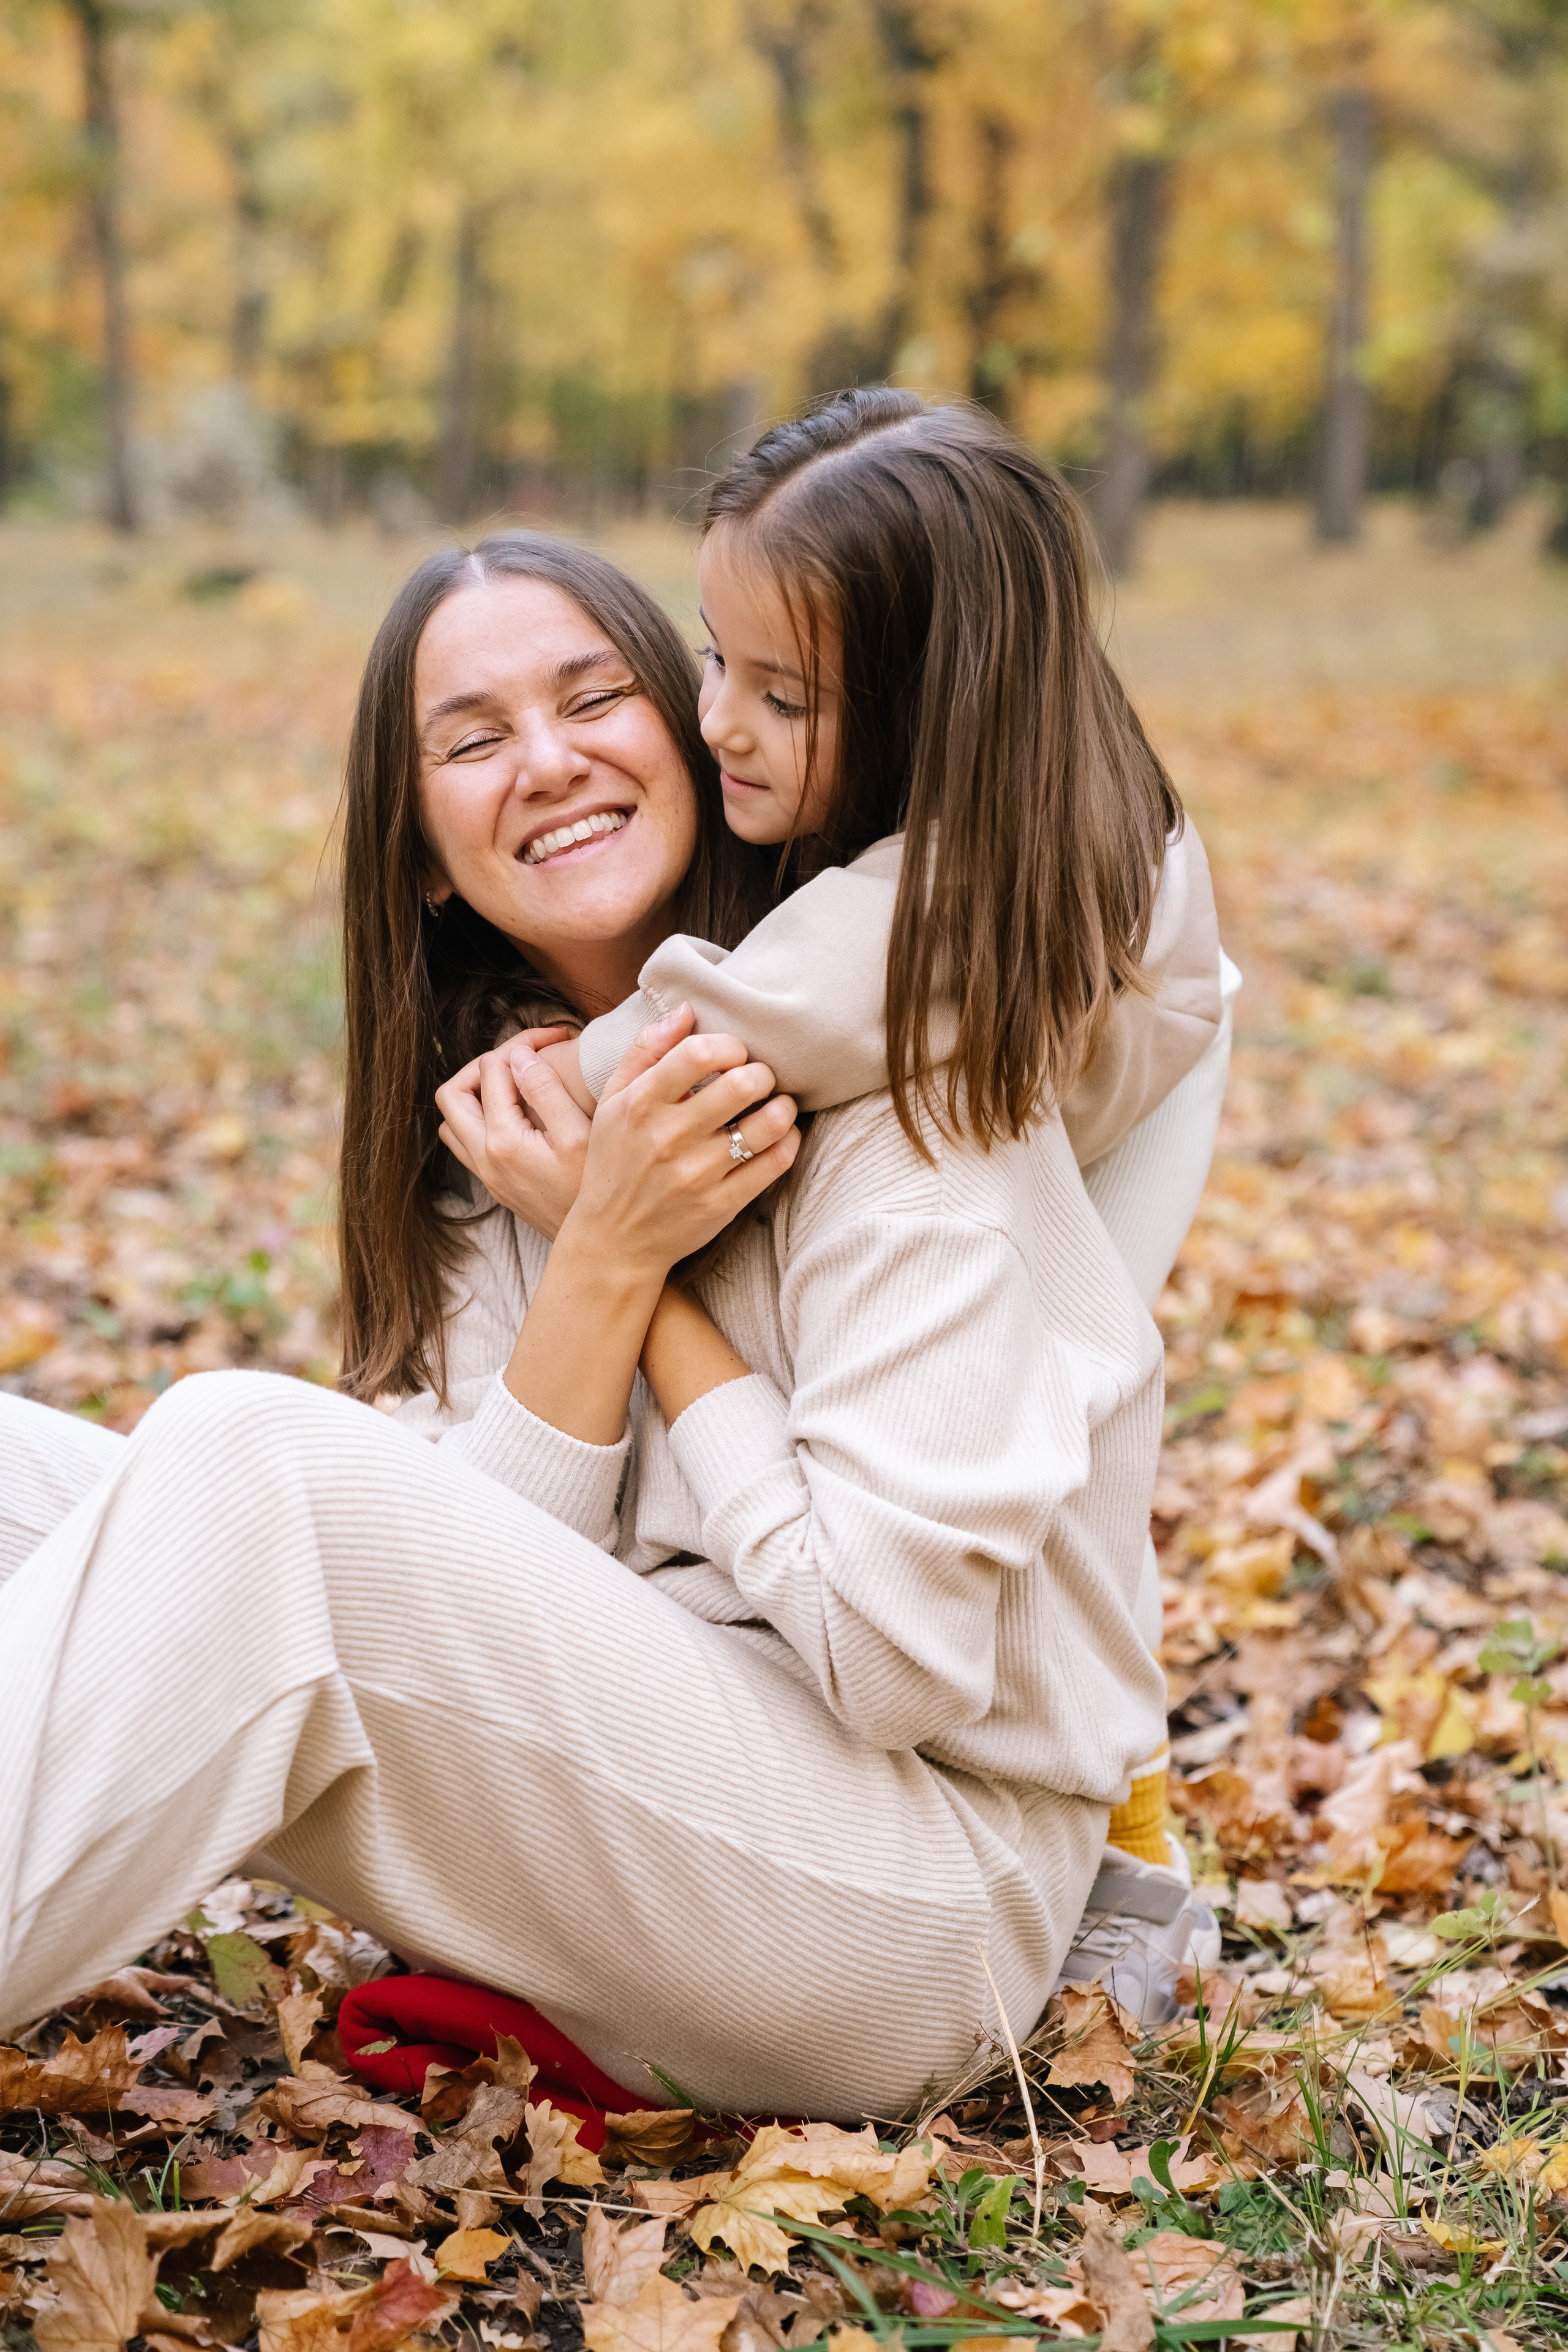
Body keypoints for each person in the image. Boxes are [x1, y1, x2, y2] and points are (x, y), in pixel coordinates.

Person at [0, 407, 1190, 2110]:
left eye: (587, 697)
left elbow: (894, 1663)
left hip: (925, 1903)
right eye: (472, 737)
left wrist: (656, 1286)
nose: (545, 761)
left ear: (700, 728)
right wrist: (593, 1260)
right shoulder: (504, 1135)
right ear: (418, 845)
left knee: (245, 1454)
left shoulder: (909, 1064)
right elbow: (470, 1598)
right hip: (667, 1828)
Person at [435, 392, 1238, 1910]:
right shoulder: (1045, 811)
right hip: (1059, 1165)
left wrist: (565, 1111)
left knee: (1028, 1454)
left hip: (1063, 1179)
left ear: (940, 713)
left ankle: (1108, 1832)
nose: (717, 718)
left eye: (781, 698)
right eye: (712, 656)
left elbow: (728, 1022)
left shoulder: (953, 894)